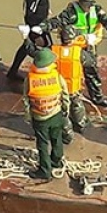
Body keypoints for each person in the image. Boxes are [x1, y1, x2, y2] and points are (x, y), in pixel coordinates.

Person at [38, 0, 107, 107]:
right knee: (69, 70)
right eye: (87, 5)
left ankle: (97, 98)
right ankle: (67, 95)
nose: (90, 7)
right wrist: (41, 27)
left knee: (92, 70)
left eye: (91, 4)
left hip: (90, 45)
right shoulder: (71, 13)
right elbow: (57, 21)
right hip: (75, 47)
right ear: (81, 3)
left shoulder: (96, 9)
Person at [23, 48, 70, 180]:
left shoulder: (30, 79)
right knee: (57, 138)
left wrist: (28, 116)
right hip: (56, 113)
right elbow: (65, 95)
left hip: (39, 117)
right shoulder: (57, 77)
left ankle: (45, 170)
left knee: (42, 143)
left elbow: (26, 100)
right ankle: (56, 161)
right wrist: (66, 110)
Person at [7, 0, 55, 82]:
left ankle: (12, 71)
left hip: (41, 22)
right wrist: (34, 28)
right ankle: (41, 75)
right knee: (47, 49)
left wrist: (47, 9)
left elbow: (40, 3)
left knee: (25, 47)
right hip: (38, 25)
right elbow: (30, 11)